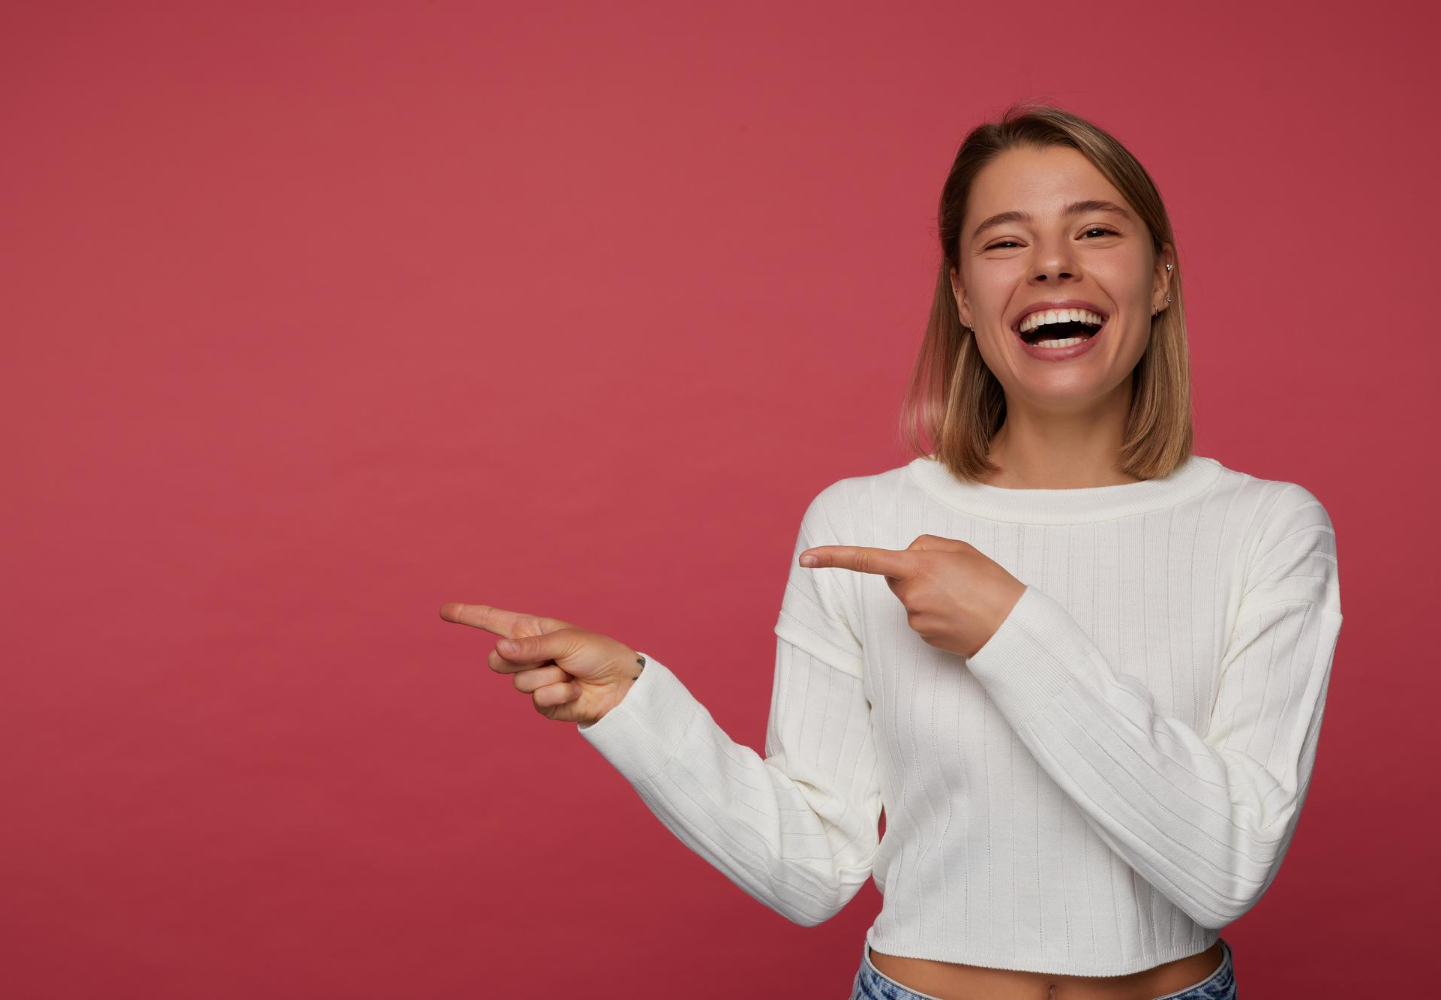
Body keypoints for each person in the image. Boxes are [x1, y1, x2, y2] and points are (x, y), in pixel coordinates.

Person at [440, 102, 1340, 1000]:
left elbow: (1225, 867)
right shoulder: (862, 522)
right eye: (1004, 242)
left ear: (1160, 279)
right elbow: (813, 864)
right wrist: (633, 707)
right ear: (961, 295)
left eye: (1096, 230)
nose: (1053, 264)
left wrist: (1008, 627)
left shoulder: (1268, 529)